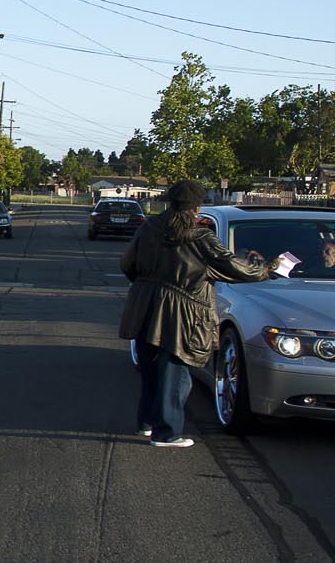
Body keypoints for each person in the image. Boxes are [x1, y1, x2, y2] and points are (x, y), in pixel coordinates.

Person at [118, 181, 280, 447]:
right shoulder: (201, 239)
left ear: (169, 202)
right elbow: (236, 269)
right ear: (197, 207)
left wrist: (147, 285)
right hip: (183, 313)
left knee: (150, 370)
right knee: (175, 373)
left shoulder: (149, 228)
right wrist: (267, 267)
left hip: (145, 305)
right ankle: (167, 433)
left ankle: (147, 423)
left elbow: (127, 264)